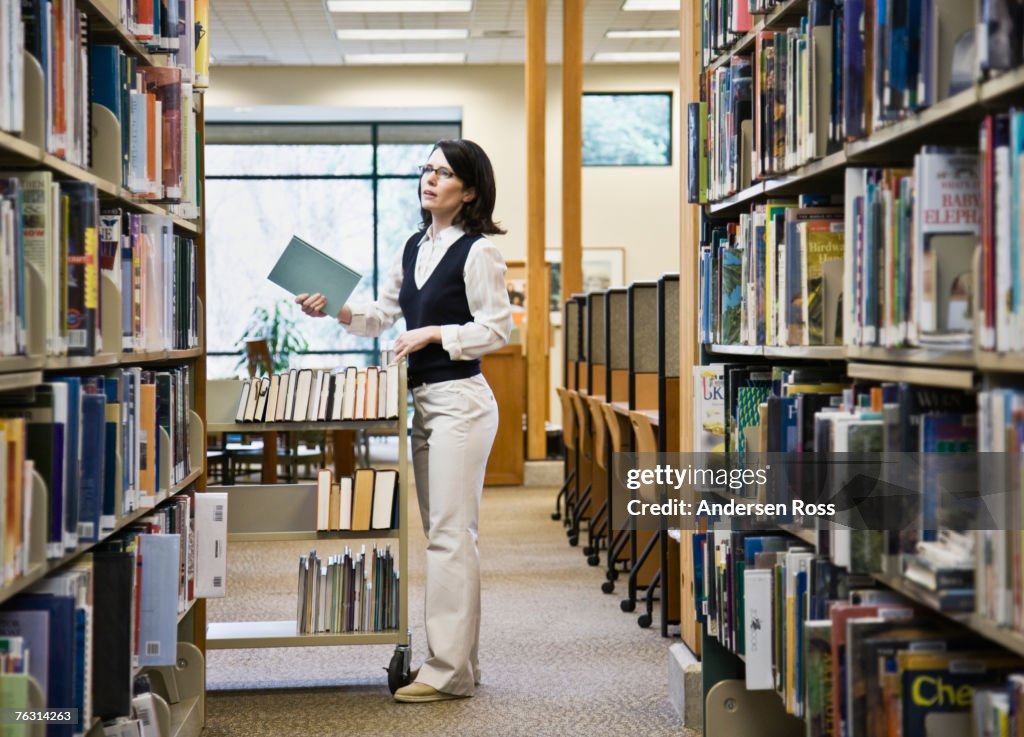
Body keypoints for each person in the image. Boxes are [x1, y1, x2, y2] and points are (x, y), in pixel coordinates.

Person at [296, 139, 512, 703]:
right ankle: (462, 663)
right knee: (448, 535)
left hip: (461, 401)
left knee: (449, 536)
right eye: (427, 170)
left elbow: (496, 329)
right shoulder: (414, 245)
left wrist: (438, 333)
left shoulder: (479, 250)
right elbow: (381, 315)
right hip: (424, 403)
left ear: (468, 190)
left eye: (444, 173)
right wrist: (337, 309)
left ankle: (446, 672)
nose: (431, 179)